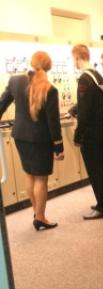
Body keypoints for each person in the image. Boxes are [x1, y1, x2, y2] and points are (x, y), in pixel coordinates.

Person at [0, 51, 64, 230]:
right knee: (41, 179)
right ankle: (41, 217)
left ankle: (36, 212)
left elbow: (1, 104)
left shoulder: (15, 81)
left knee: (29, 174)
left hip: (20, 136)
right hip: (40, 140)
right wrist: (58, 146)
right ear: (48, 67)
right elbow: (53, 121)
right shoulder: (50, 89)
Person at [71, 44, 103, 220]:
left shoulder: (84, 79)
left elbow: (84, 111)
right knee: (102, 169)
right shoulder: (98, 76)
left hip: (91, 134)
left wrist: (78, 135)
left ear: (77, 58)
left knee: (96, 170)